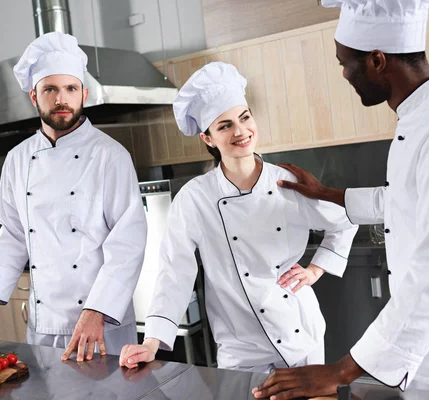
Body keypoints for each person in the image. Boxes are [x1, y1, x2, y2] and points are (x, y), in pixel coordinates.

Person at [252, 0, 429, 398]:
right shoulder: (423, 117)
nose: (342, 74)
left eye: (344, 62)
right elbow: (407, 201)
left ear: (376, 60)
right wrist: (328, 194)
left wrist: (342, 370)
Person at [119, 62, 358, 373]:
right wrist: (152, 342)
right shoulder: (195, 198)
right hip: (241, 350)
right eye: (225, 125)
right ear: (208, 139)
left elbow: (344, 219)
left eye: (244, 118)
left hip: (301, 337)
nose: (241, 131)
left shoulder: (288, 181)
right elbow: (174, 271)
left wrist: (315, 269)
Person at [0, 32, 147, 363]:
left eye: (70, 89)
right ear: (34, 96)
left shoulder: (110, 155)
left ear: (84, 94)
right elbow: (14, 235)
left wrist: (96, 311)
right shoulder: (17, 159)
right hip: (45, 325)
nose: (61, 99)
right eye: (50, 89)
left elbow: (128, 243)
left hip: (102, 323)